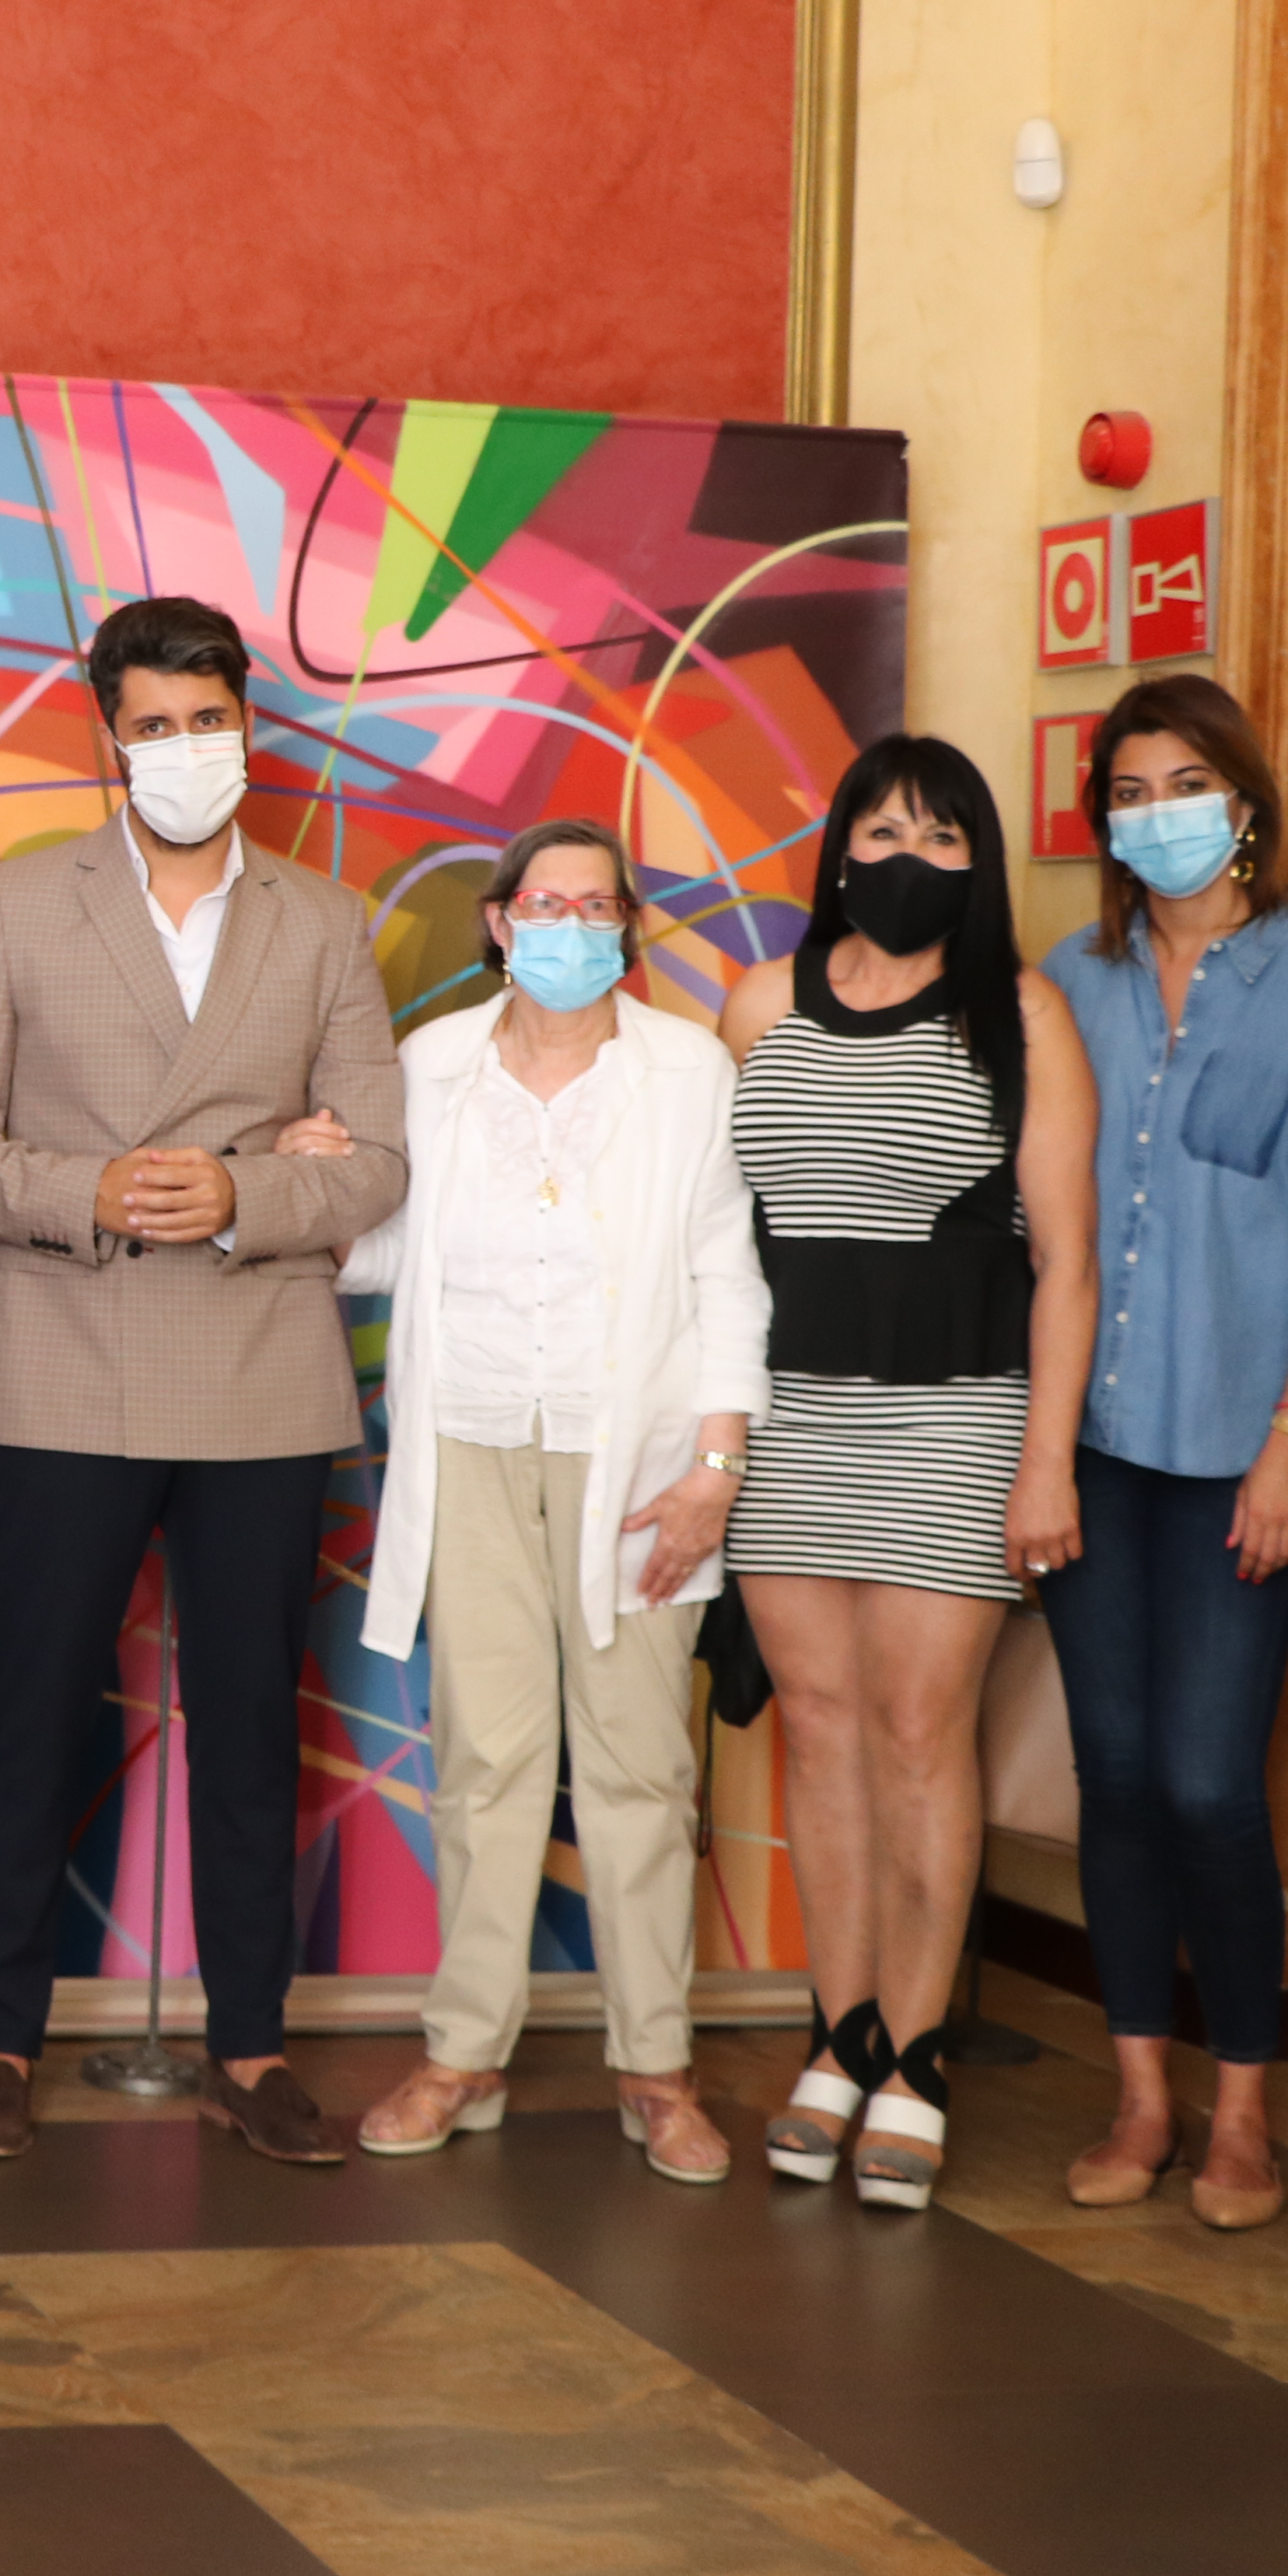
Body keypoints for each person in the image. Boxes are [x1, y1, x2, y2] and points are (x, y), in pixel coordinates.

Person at [0, 594, 409, 2167]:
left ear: (249, 721)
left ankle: (249, 2048)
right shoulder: (21, 906)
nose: (188, 747)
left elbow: (379, 1156)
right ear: (108, 739)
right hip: (70, 1361)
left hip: (260, 1369)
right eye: (156, 723)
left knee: (253, 1721)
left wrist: (249, 1194)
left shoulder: (323, 922)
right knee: (39, 1710)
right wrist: (95, 1190)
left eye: (211, 717)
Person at [307, 820, 761, 2185]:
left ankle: (657, 2067)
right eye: (544, 904)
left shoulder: (685, 1070)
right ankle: (465, 2051)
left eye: (598, 905)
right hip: (473, 1446)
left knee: (637, 1768)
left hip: (639, 1469)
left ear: (627, 926)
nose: (570, 927)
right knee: (490, 1761)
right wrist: (316, 1175)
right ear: (500, 923)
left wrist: (714, 1470)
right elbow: (381, 1255)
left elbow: (729, 1273)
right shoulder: (434, 1066)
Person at [716, 736, 1096, 2211]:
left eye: (945, 841)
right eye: (884, 832)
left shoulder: (1022, 1012)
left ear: (980, 865)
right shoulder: (758, 1003)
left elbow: (1063, 1266)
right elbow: (706, 1230)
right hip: (789, 1410)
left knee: (920, 1731)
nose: (910, 863)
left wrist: (1044, 1462)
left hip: (957, 1419)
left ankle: (920, 2056)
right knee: (817, 1725)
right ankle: (840, 2031)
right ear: (836, 848)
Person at [1034, 676, 1288, 2233]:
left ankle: (1244, 2105)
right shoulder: (1069, 980)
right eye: (1128, 788)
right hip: (1091, 1443)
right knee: (1112, 1772)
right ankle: (1140, 2092)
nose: (1157, 811)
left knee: (1205, 1776)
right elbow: (1033, 1224)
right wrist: (1031, 1449)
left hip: (1248, 1445)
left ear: (1244, 800)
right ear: (1103, 816)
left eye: (1186, 781)